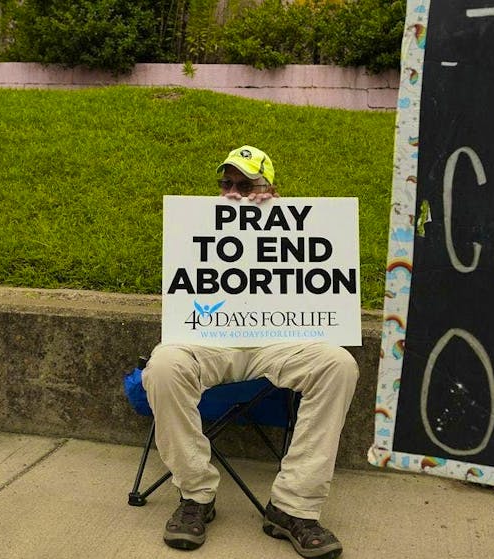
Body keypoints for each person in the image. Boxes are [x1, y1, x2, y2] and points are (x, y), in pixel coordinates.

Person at [141, 144, 359, 559]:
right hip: (208, 338)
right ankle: (196, 497)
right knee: (164, 366)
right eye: (227, 183)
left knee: (338, 364)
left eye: (247, 184)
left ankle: (293, 507)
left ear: (270, 187)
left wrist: (275, 214)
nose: (235, 191)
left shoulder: (295, 222)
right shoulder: (197, 221)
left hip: (278, 340)